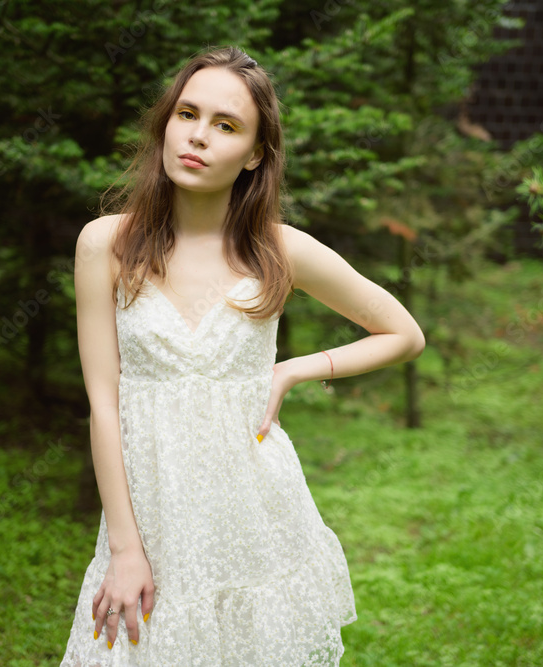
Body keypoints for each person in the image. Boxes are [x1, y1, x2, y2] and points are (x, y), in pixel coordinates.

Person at [59, 45, 425, 666]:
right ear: (166, 122)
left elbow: (402, 332)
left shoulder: (280, 250)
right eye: (187, 114)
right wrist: (125, 548)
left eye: (225, 125)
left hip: (256, 517)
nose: (198, 136)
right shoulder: (106, 244)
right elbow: (104, 402)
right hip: (153, 518)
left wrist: (296, 368)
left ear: (255, 153)